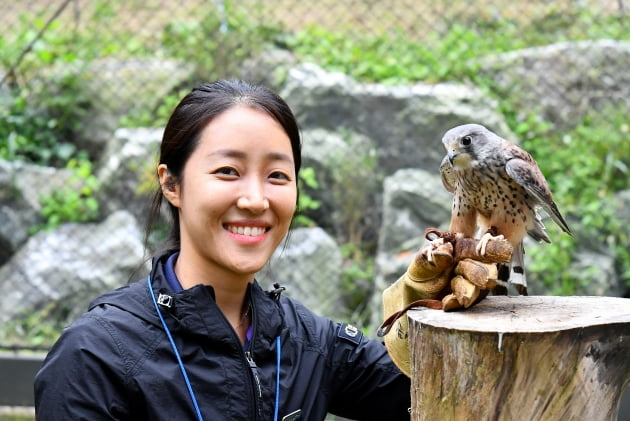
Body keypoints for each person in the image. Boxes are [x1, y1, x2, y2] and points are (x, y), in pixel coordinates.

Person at [34, 80, 413, 420]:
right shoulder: (96, 355)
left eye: (277, 176)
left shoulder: (309, 343)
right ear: (172, 185)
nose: (254, 199)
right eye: (228, 171)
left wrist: (442, 301)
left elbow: (434, 391)